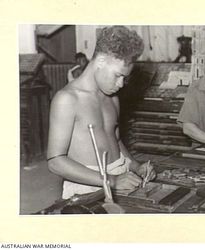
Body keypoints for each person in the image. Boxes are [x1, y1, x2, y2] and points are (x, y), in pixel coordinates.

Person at [47, 26, 156, 199]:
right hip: (89, 185)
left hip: (121, 176)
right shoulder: (67, 99)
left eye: (124, 78)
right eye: (117, 75)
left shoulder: (112, 97)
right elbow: (55, 162)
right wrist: (111, 180)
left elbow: (115, 139)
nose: (121, 84)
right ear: (101, 61)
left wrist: (135, 166)